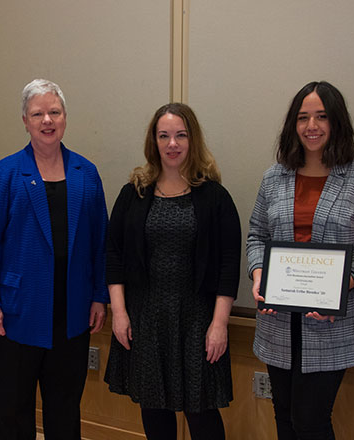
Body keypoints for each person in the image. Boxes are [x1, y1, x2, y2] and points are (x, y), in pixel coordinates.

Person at [246, 82, 354, 439]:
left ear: (336, 121)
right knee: (283, 415)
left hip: (331, 321)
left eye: (321, 116)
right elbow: (256, 235)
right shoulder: (274, 176)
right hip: (278, 320)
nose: (311, 126)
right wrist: (258, 274)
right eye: (303, 117)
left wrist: (342, 284)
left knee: (311, 421)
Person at [0, 78, 108, 439]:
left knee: (65, 408)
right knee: (14, 410)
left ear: (64, 117)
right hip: (16, 312)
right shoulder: (5, 173)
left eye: (54, 112)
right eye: (38, 113)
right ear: (25, 120)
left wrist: (99, 296)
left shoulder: (87, 173)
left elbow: (100, 243)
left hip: (72, 312)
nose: (47, 120)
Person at [104, 102, 240, 440]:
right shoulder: (133, 193)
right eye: (164, 136)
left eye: (180, 135)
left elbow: (228, 264)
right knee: (154, 410)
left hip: (198, 319)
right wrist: (119, 314)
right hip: (145, 317)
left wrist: (219, 324)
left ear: (192, 140)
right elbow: (113, 255)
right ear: (154, 141)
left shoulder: (214, 197)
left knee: (202, 413)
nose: (172, 144)